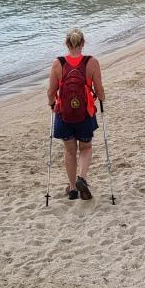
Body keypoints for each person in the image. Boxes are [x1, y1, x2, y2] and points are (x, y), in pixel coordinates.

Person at [47, 29, 105, 200]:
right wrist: (101, 99)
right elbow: (99, 90)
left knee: (70, 151)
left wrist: (52, 105)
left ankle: (72, 188)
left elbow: (51, 92)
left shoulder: (58, 63)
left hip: (64, 115)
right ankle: (82, 178)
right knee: (86, 147)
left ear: (67, 44)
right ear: (83, 43)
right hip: (85, 114)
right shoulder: (92, 62)